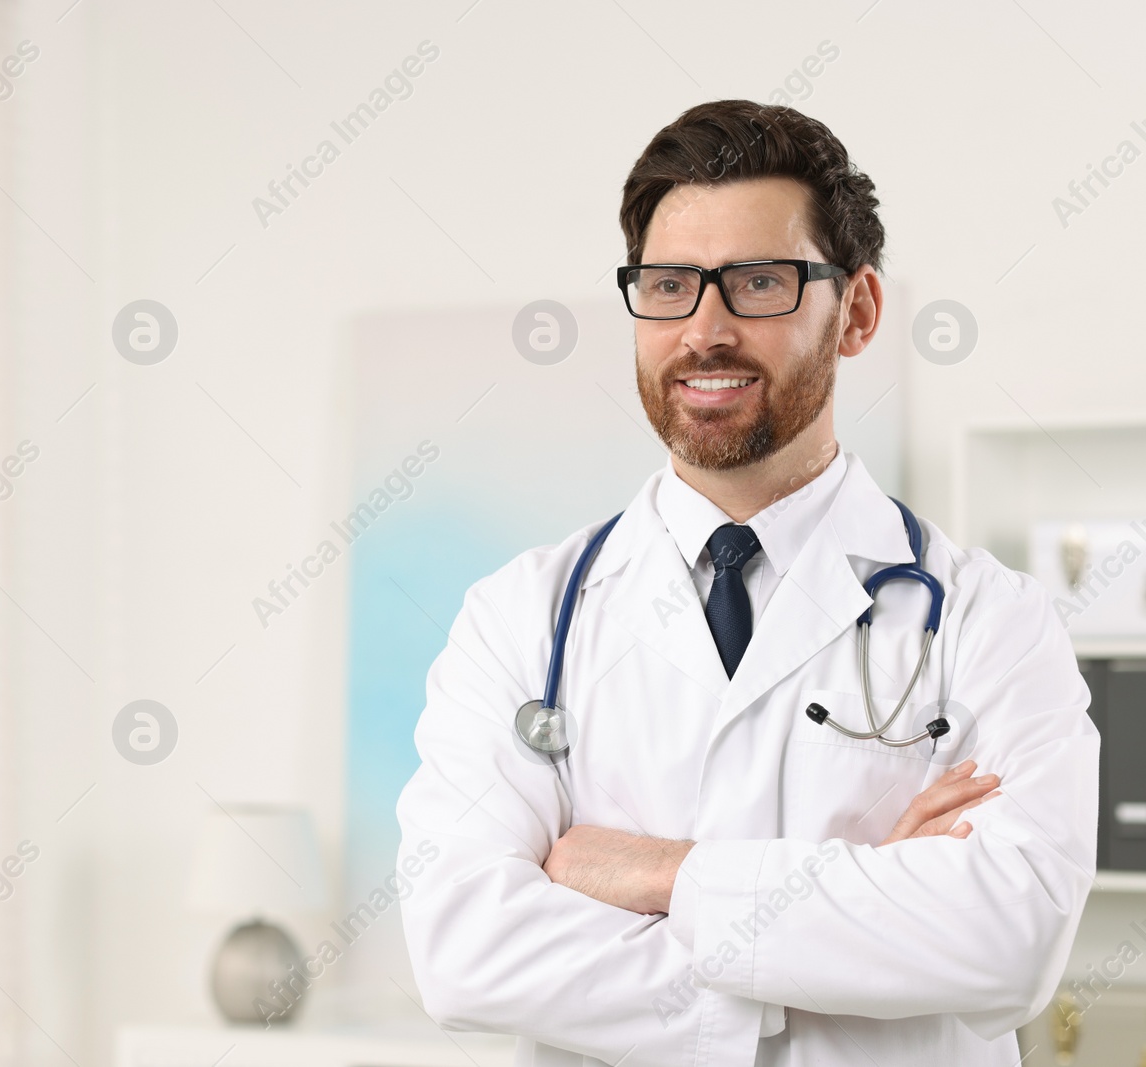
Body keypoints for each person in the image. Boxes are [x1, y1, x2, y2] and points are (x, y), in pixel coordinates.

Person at [394, 100, 1098, 1067]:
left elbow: (1008, 940)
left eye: (759, 283)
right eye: (669, 284)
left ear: (857, 312)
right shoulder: (518, 617)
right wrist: (854, 916)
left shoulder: (994, 621)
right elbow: (463, 949)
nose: (705, 329)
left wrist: (657, 873)